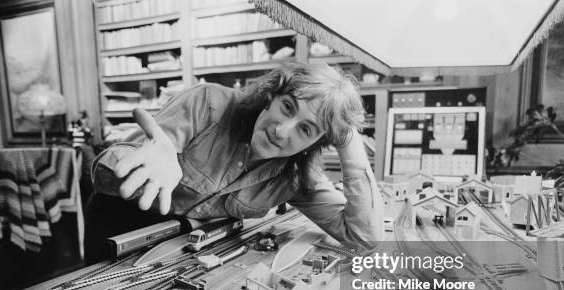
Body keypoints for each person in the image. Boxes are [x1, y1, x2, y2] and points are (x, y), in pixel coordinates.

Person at [86, 62, 383, 263]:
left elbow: (364, 238)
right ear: (271, 97)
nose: (282, 130)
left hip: (182, 246)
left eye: (305, 129)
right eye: (287, 107)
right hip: (118, 227)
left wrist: (348, 143)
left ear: (314, 144)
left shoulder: (294, 177)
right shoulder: (209, 104)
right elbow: (103, 174)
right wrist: (137, 166)